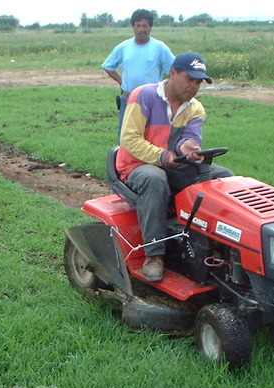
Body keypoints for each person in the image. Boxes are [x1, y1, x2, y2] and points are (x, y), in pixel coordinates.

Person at [116, 52, 233, 282]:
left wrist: (188, 147)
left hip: (173, 165)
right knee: (155, 178)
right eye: (190, 79)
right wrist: (162, 155)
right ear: (172, 73)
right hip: (137, 165)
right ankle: (154, 253)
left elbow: (187, 139)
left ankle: (217, 245)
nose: (194, 86)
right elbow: (129, 139)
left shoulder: (195, 108)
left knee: (223, 177)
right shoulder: (144, 96)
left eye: (199, 82)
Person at [102, 9, 175, 141]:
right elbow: (108, 66)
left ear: (150, 27)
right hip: (128, 99)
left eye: (145, 25)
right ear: (133, 27)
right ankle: (123, 162)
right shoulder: (123, 47)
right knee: (125, 138)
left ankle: (150, 162)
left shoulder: (160, 47)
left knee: (151, 138)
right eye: (138, 26)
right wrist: (122, 82)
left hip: (153, 100)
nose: (142, 29)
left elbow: (174, 71)